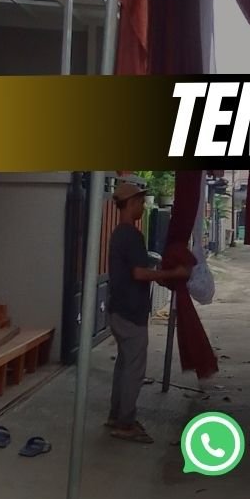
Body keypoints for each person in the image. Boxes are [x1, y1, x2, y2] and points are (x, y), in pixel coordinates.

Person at [106, 180, 190, 443]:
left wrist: (161, 276)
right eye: (141, 202)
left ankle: (117, 416)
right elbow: (139, 273)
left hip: (119, 309)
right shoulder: (131, 235)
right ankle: (125, 423)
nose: (143, 207)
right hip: (130, 312)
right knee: (134, 370)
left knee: (124, 366)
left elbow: (138, 271)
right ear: (131, 203)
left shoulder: (120, 234)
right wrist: (172, 274)